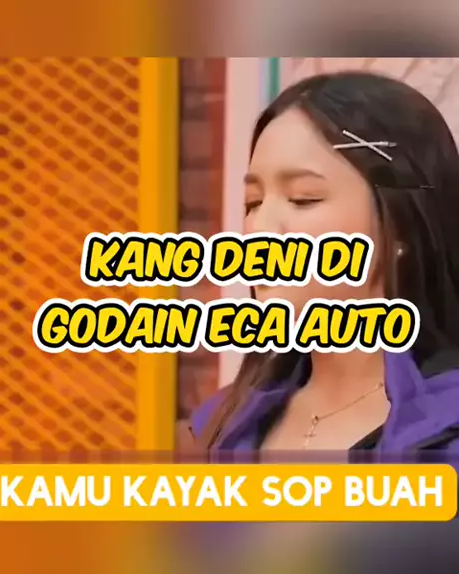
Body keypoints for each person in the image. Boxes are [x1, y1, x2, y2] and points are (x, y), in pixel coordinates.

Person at [190, 71, 459, 458]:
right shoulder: (222, 426)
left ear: (399, 224)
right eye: (253, 202)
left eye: (303, 199)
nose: (260, 228)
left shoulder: (444, 429)